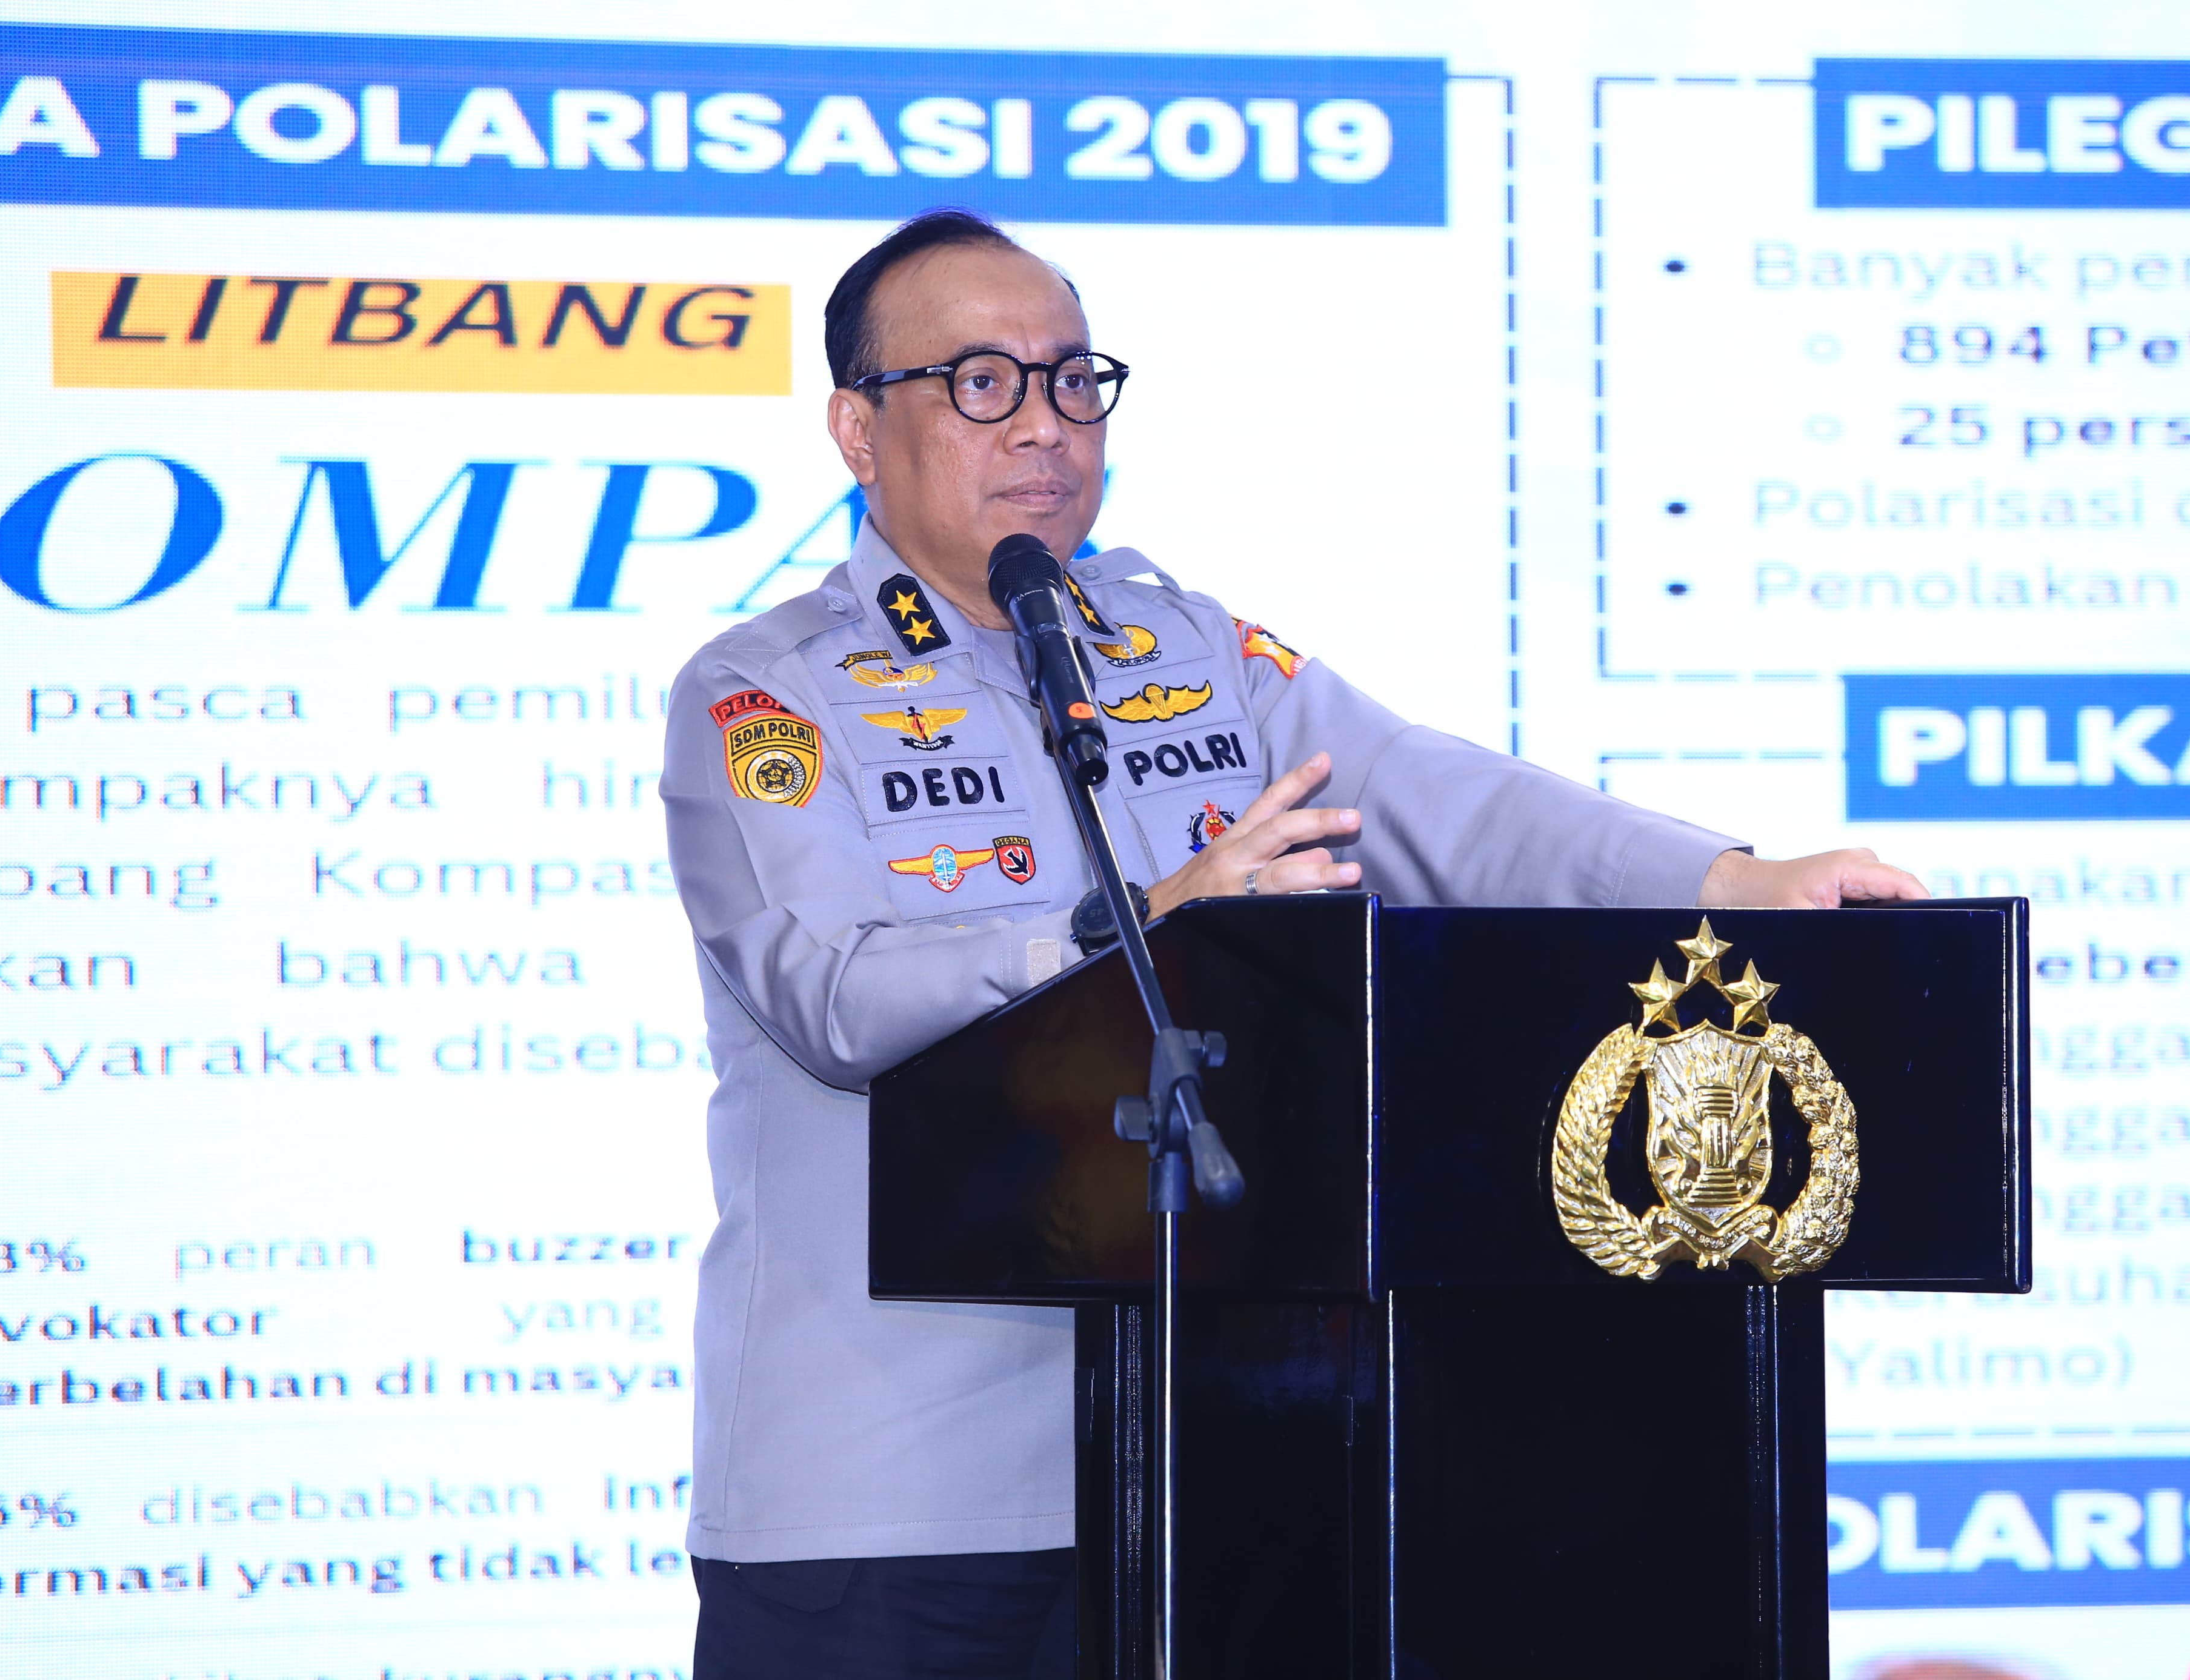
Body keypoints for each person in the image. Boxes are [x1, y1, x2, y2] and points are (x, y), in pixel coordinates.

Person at [661, 208, 1925, 1678]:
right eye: (982, 383)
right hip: (888, 1489)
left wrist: (1732, 879)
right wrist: (1145, 918)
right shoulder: (766, 691)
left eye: (1073, 379)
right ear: (858, 429)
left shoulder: (1183, 649)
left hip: (1196, 1461)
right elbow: (830, 996)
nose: (1046, 423)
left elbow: (1443, 800)